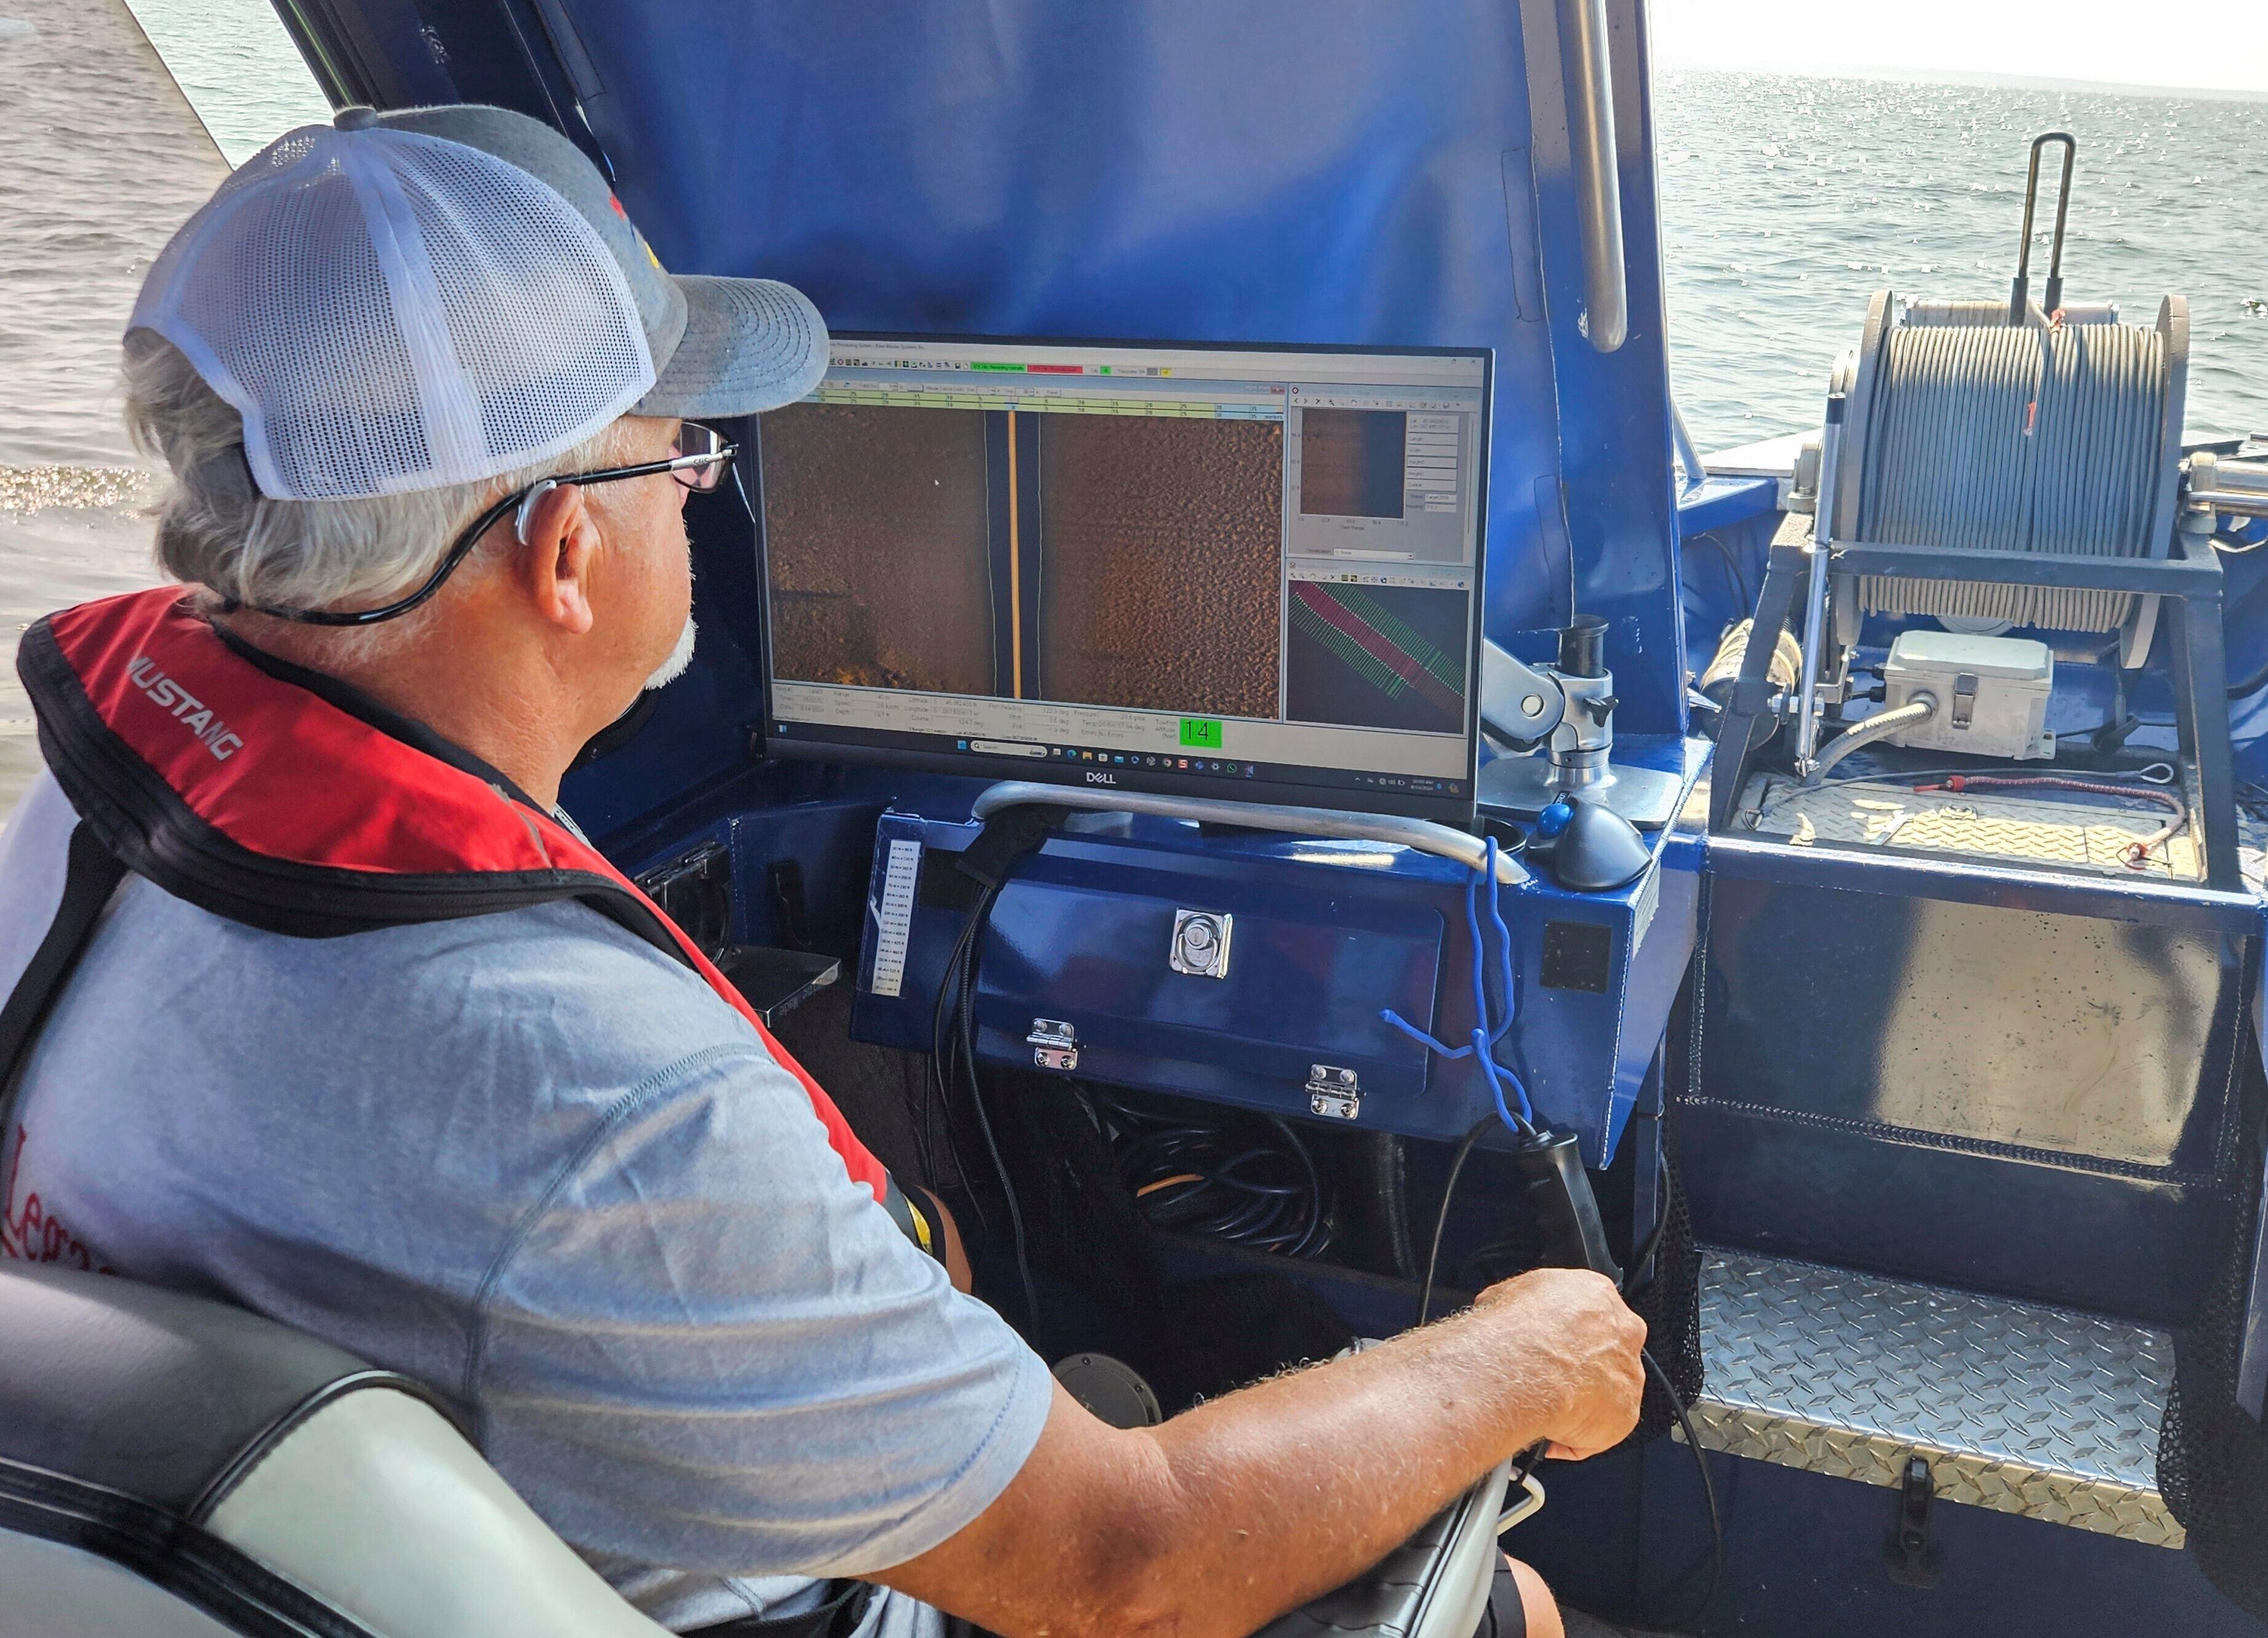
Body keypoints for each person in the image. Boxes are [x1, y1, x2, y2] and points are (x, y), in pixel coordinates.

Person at [0, 106, 1648, 1638]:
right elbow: (1126, 1559)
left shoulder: (95, 822)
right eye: (685, 454)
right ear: (565, 553)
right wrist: (1521, 1348)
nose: (704, 493)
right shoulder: (590, 1092)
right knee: (1499, 1593)